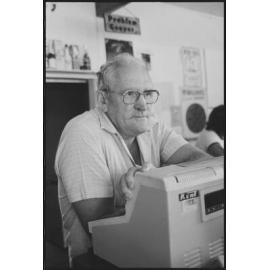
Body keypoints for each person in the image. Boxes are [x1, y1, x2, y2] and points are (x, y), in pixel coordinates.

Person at [54, 53, 210, 266]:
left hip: (151, 251)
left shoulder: (152, 126)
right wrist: (143, 193)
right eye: (130, 94)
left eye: (147, 93)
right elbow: (98, 229)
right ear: (103, 99)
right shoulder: (81, 133)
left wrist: (153, 181)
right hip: (99, 262)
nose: (143, 104)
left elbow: (203, 163)